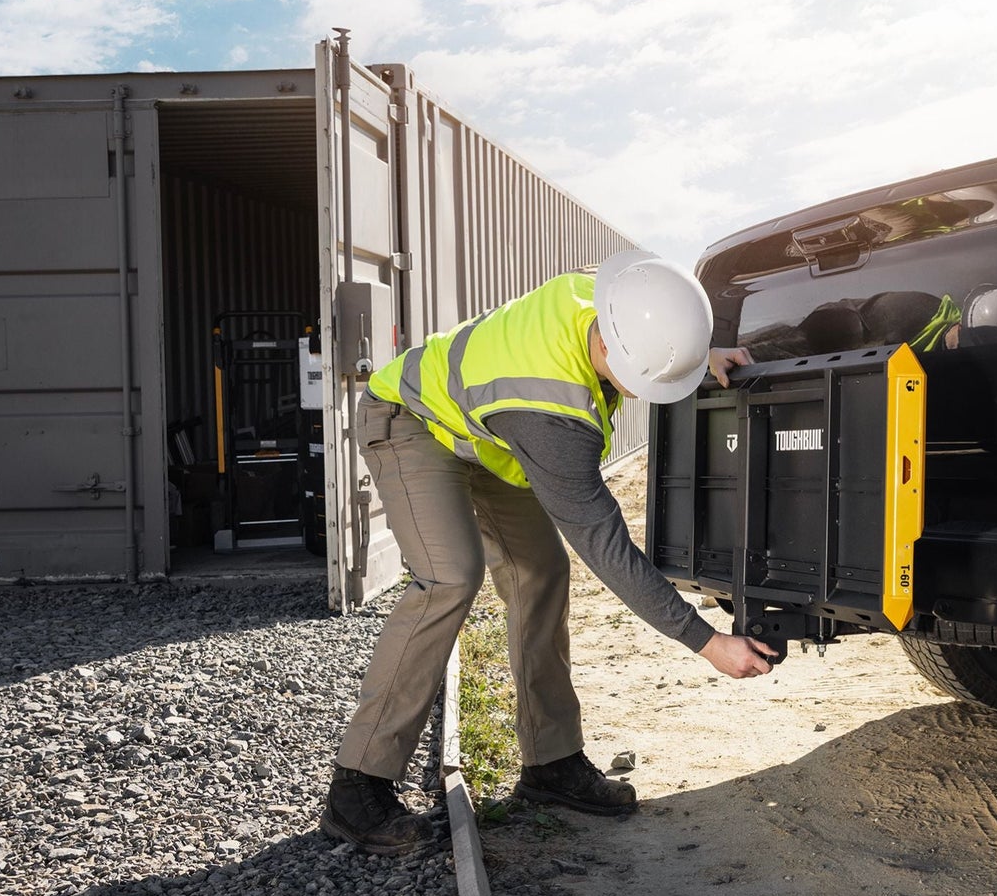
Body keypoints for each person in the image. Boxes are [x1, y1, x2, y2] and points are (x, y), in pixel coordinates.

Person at [321, 250, 773, 854]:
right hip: (410, 419)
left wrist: (694, 359)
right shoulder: (552, 419)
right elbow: (606, 544)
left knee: (541, 570)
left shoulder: (612, 299)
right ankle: (358, 786)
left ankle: (551, 764)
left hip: (481, 432)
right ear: (610, 348)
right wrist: (707, 643)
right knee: (450, 577)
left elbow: (646, 335)